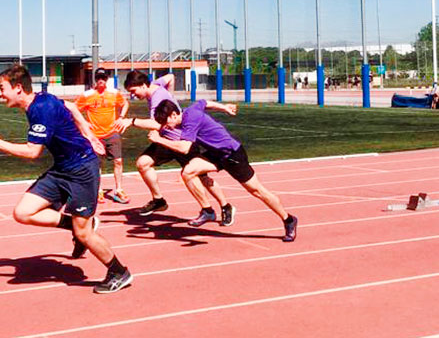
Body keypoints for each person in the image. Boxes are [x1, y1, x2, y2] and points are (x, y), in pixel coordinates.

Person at [0, 63, 131, 294]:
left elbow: (33, 153)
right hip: (62, 168)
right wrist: (89, 133)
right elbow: (71, 107)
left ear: (18, 89)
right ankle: (79, 225)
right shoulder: (40, 99)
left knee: (84, 233)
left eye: (2, 88)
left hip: (82, 169)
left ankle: (118, 271)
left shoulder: (40, 109)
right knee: (23, 212)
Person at [150, 98, 298, 242]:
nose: (166, 127)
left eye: (166, 122)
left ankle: (288, 219)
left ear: (174, 115)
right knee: (188, 172)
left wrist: (159, 140)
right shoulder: (190, 110)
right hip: (216, 154)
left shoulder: (190, 120)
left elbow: (184, 148)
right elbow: (204, 102)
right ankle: (207, 211)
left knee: (257, 191)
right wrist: (224, 107)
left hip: (232, 155)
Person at [114, 70, 235, 227]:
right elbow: (170, 77)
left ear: (144, 85)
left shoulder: (158, 98)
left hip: (181, 140)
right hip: (165, 140)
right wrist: (171, 96)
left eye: (133, 91)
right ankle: (159, 200)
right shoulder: (156, 85)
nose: (133, 95)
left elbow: (158, 124)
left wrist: (132, 121)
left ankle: (224, 206)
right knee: (143, 163)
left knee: (201, 177)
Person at [76, 68, 130, 204]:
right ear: (95, 79)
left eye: (103, 78)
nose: (101, 80)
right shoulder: (87, 95)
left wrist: (122, 117)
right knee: (97, 163)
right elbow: (73, 110)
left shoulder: (114, 93)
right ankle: (98, 191)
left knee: (118, 161)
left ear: (107, 79)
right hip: (95, 136)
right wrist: (84, 123)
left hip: (112, 133)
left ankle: (119, 190)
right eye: (99, 77)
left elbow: (125, 104)